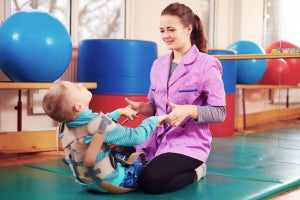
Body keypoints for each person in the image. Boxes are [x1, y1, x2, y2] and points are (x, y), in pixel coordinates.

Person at [124, 3, 226, 194]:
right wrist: (142, 108)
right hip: (154, 138)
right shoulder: (158, 64)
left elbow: (220, 112)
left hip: (187, 142)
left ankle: (197, 171)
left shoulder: (207, 65)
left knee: (151, 181)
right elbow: (155, 105)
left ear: (188, 29)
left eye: (171, 30)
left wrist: (188, 110)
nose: (165, 35)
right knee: (115, 156)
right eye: (162, 30)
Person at [42, 80, 166, 193]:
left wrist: (119, 112)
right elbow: (136, 137)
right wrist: (153, 121)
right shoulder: (98, 124)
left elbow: (95, 125)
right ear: (78, 106)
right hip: (113, 182)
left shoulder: (65, 126)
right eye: (76, 87)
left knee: (117, 155)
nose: (80, 84)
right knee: (146, 167)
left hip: (87, 182)